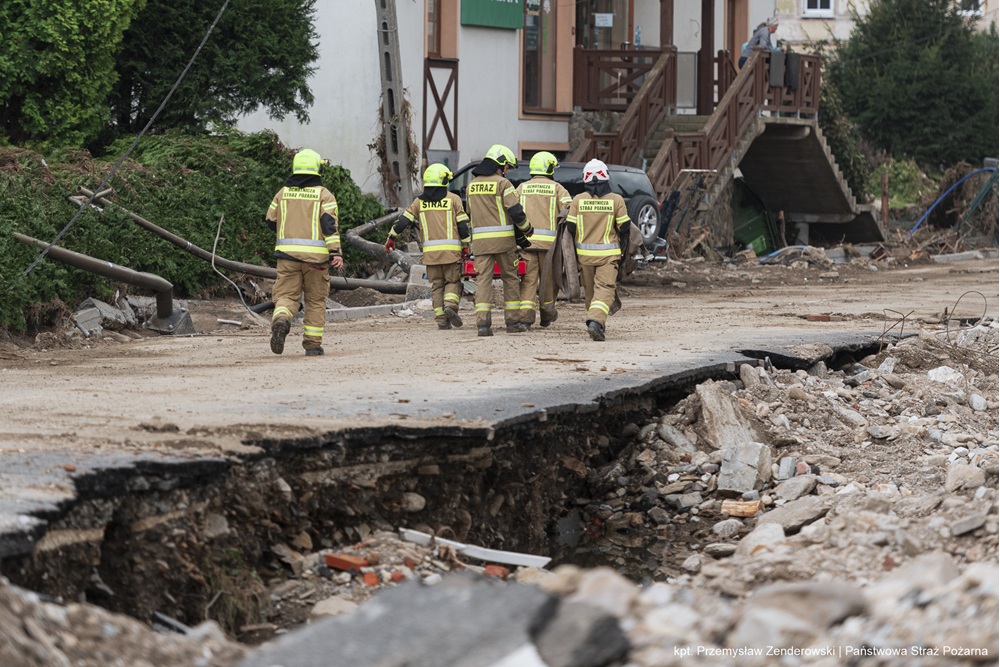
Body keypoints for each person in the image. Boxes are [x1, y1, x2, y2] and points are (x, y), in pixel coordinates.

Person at [265, 149, 342, 357]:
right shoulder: (324, 195)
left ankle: (281, 320)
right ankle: (312, 345)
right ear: (317, 168)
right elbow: (329, 226)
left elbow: (270, 221)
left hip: (287, 258)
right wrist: (335, 253)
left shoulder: (282, 193)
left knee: (286, 297)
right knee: (315, 301)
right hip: (316, 261)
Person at [385, 164, 470, 330]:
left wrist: (391, 238)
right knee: (453, 282)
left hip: (430, 256)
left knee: (437, 285)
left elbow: (403, 221)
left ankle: (441, 320)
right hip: (451, 254)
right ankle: (451, 306)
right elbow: (463, 227)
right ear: (443, 180)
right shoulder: (453, 199)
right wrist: (466, 246)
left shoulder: (419, 202)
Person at [466, 144, 533, 336]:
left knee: (483, 281)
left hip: (480, 243)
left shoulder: (471, 185)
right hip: (504, 242)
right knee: (510, 279)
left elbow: (470, 212)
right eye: (507, 167)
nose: (507, 171)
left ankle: (482, 325)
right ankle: (512, 323)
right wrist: (527, 229)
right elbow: (516, 212)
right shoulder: (504, 184)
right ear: (501, 164)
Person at [565, 159, 631, 342]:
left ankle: (595, 324)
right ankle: (595, 321)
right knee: (605, 289)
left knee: (591, 292)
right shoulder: (616, 200)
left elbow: (570, 228)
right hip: (608, 256)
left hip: (584, 257)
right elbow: (625, 227)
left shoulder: (578, 200)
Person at [515, 151, 572, 328]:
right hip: (550, 247)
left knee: (528, 282)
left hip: (526, 245)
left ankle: (525, 319)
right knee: (548, 282)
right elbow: (570, 211)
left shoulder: (521, 188)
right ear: (548, 167)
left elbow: (512, 212)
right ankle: (547, 315)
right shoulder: (558, 189)